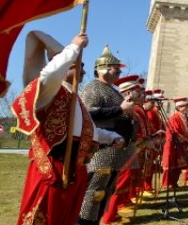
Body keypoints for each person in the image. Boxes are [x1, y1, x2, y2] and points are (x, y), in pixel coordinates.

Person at [11, 31, 123, 225]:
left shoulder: (74, 98)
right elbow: (49, 75)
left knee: (66, 218)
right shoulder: (47, 92)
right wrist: (73, 48)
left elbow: (84, 129)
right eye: (75, 65)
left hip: (75, 168)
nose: (81, 69)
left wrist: (111, 137)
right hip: (54, 167)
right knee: (46, 217)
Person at [79, 46, 136, 225]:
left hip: (115, 151)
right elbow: (88, 113)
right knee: (93, 194)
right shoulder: (93, 88)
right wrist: (120, 109)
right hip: (101, 150)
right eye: (115, 68)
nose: (119, 71)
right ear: (103, 68)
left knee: (105, 194)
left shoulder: (112, 90)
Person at [100, 75, 148, 225]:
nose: (141, 94)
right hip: (115, 154)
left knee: (120, 185)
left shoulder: (132, 110)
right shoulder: (117, 108)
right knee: (114, 186)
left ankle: (113, 214)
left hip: (127, 152)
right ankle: (108, 219)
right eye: (137, 91)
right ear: (128, 93)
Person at [161, 99, 188, 189]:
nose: (187, 108)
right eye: (185, 106)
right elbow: (175, 132)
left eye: (187, 106)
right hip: (172, 144)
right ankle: (166, 184)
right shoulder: (174, 118)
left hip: (183, 144)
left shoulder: (187, 118)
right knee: (170, 165)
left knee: (179, 166)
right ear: (178, 108)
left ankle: (174, 182)